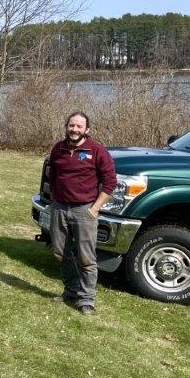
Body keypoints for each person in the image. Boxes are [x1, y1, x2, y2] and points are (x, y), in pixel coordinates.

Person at [47, 111, 117, 315]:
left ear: (87, 130)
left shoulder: (96, 150)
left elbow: (110, 182)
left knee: (86, 258)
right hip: (60, 208)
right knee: (60, 253)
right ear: (66, 126)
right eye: (71, 125)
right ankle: (70, 291)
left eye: (79, 126)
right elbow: (53, 175)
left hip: (84, 210)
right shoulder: (58, 148)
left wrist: (95, 208)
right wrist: (53, 200)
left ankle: (86, 300)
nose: (74, 129)